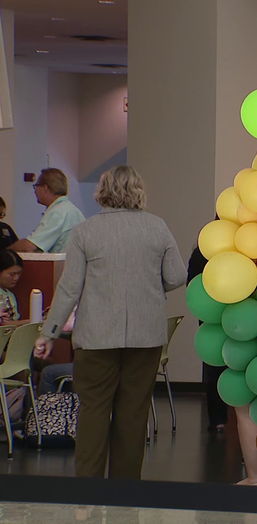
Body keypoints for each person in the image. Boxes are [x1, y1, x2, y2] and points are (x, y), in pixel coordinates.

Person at [33, 165, 186, 480]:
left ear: (101, 192)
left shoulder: (85, 231)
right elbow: (176, 276)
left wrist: (48, 333)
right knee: (133, 415)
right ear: (139, 191)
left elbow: (70, 288)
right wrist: (149, 286)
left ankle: (88, 492)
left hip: (96, 337)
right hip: (146, 337)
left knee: (93, 412)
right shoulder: (157, 227)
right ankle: (124, 492)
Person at [186, 242, 227, 433]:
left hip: (209, 316)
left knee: (215, 365)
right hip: (238, 315)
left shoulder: (201, 252)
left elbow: (191, 285)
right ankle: (241, 419)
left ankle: (219, 420)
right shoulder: (240, 251)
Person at [9, 168, 85, 253]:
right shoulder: (74, 210)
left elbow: (29, 246)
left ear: (45, 188)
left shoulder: (57, 212)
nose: (35, 191)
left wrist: (4, 252)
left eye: (36, 186)